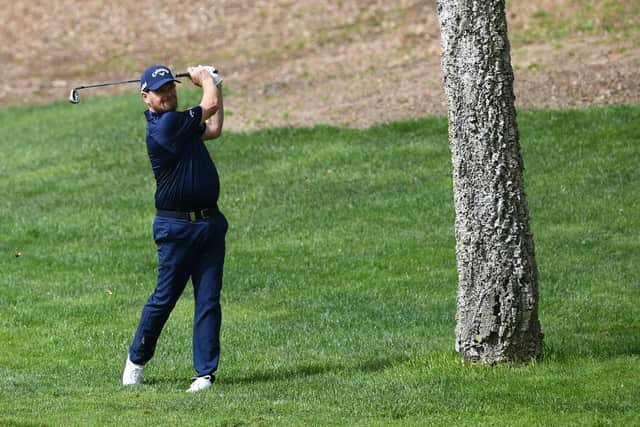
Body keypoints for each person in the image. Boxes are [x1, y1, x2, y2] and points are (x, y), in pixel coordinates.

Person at [122, 64, 227, 392]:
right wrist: (207, 80)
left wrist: (217, 85)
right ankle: (136, 359)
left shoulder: (181, 124)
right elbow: (207, 106)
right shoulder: (165, 127)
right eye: (160, 90)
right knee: (165, 297)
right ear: (146, 97)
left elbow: (213, 128)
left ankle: (204, 374)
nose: (168, 93)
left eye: (171, 87)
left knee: (208, 299)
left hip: (209, 224)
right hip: (176, 228)